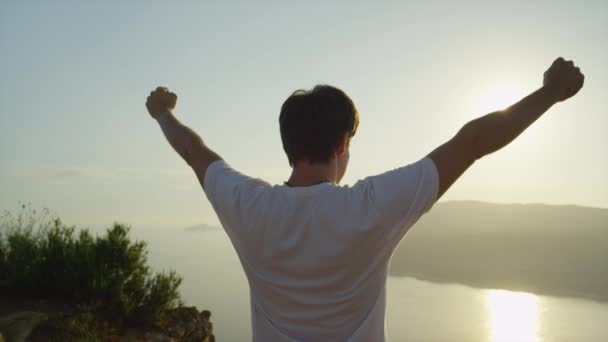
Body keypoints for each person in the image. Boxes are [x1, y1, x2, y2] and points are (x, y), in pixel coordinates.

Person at [145, 57, 584, 341]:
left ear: (288, 144)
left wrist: (162, 111)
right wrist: (550, 93)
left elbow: (191, 149)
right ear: (342, 144)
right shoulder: (372, 207)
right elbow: (471, 141)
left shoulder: (247, 206)